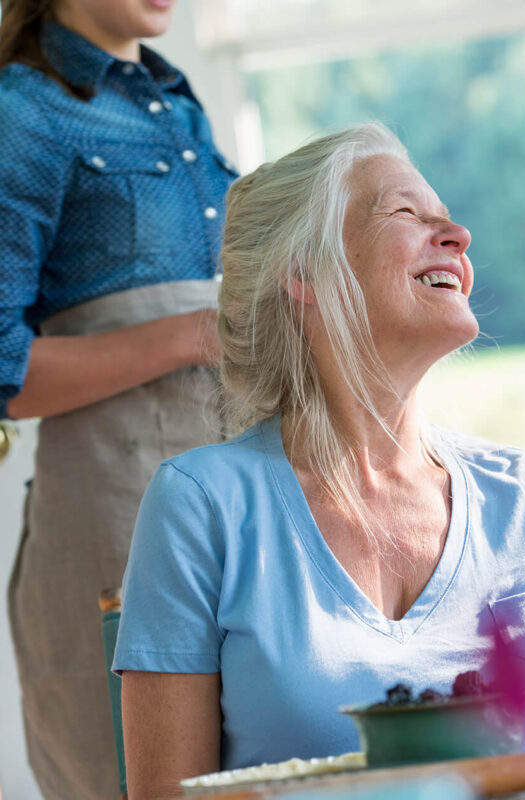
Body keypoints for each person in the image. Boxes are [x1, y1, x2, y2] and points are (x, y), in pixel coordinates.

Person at [113, 123, 525, 799]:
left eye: (444, 214)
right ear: (305, 273)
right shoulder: (201, 505)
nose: (457, 235)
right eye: (407, 212)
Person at [0, 1, 237, 798]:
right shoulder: (22, 112)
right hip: (112, 525)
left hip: (230, 504)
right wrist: (187, 336)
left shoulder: (176, 101)